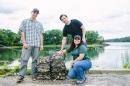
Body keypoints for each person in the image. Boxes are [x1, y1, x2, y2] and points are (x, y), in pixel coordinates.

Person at [17, 8, 44, 83]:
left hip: (37, 45)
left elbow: (41, 35)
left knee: (35, 61)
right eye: (34, 12)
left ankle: (34, 75)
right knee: (24, 60)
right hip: (27, 44)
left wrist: (41, 45)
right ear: (31, 12)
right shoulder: (24, 21)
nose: (35, 14)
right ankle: (21, 76)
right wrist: (24, 43)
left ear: (37, 14)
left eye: (36, 13)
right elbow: (22, 33)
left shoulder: (39, 24)